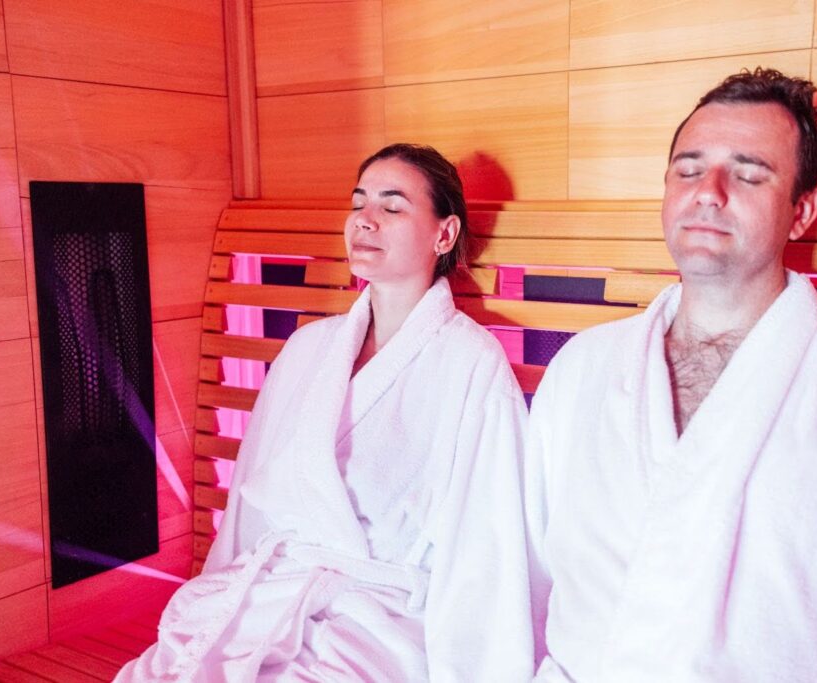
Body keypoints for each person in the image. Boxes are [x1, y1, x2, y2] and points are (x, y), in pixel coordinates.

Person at [526, 68, 817, 681]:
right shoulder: (581, 368)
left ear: (802, 210)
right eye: (688, 169)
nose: (708, 192)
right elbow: (522, 579)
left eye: (747, 174)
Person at [118, 144, 534, 682]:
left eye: (392, 206)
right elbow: (249, 504)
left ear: (445, 234)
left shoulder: (471, 362)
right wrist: (227, 583)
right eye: (359, 203)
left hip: (382, 613)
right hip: (275, 587)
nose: (365, 219)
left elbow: (489, 537)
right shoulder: (309, 347)